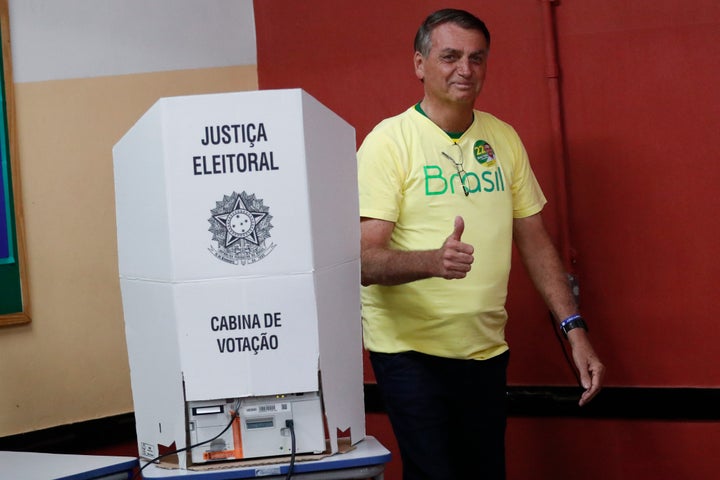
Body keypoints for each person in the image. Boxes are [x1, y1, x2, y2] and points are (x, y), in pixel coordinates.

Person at [357, 8, 605, 480]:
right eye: (450, 56)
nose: (464, 70)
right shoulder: (388, 143)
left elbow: (535, 242)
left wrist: (575, 330)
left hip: (485, 350)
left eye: (476, 58)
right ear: (419, 64)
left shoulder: (503, 139)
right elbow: (363, 261)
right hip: (410, 352)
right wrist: (433, 261)